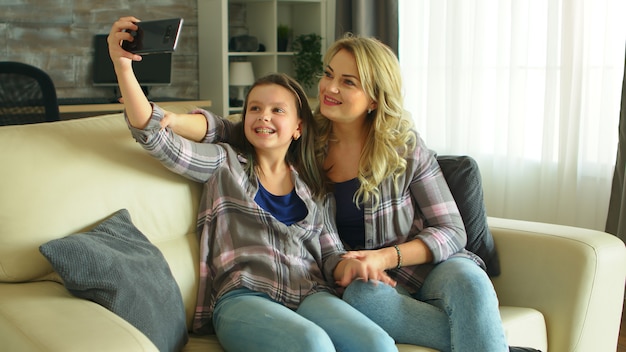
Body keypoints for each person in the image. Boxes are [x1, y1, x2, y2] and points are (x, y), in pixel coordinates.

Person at [159, 31, 541, 352]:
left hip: (428, 266)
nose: (329, 87)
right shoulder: (305, 141)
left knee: (470, 281)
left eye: (348, 82)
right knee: (362, 300)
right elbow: (238, 129)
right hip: (362, 284)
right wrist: (174, 119)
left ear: (374, 98)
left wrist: (385, 257)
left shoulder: (404, 147)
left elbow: (452, 232)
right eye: (329, 75)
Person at [107, 17, 397, 352]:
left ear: (298, 127)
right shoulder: (223, 163)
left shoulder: (313, 185)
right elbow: (155, 137)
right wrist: (124, 68)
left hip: (309, 293)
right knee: (312, 343)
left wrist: (353, 265)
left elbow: (331, 254)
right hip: (244, 297)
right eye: (254, 108)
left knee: (377, 342)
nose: (263, 116)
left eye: (277, 110)